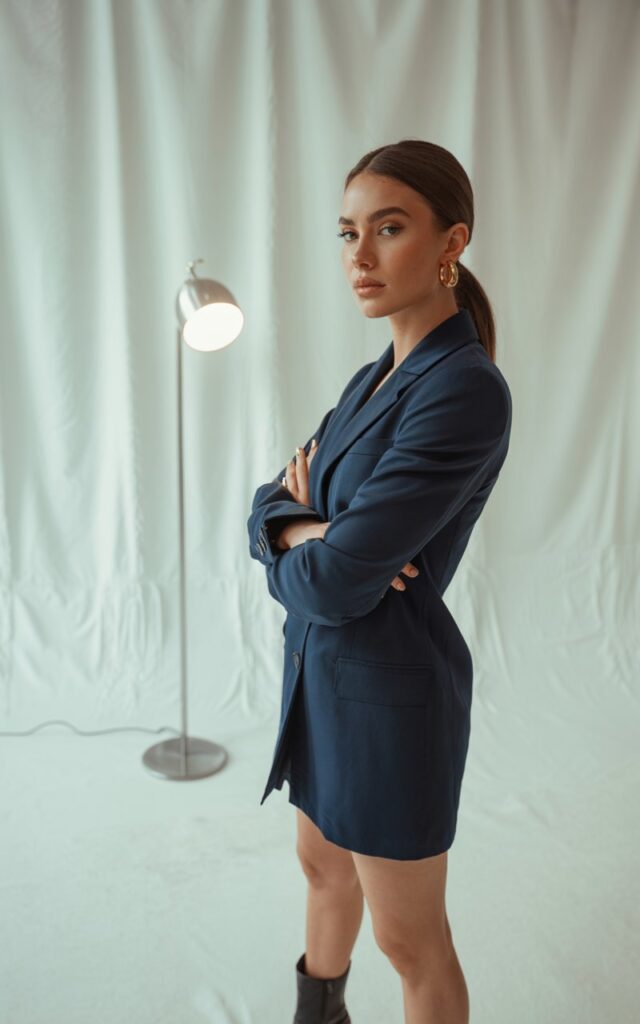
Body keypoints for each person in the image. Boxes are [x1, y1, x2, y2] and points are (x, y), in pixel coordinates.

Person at [247, 139, 512, 1024]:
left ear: (451, 242)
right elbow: (265, 506)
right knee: (321, 870)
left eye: (388, 228)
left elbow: (336, 583)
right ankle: (316, 1013)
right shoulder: (373, 379)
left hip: (390, 698)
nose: (358, 256)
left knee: (412, 943)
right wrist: (309, 528)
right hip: (318, 677)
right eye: (347, 231)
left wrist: (311, 534)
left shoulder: (464, 390)